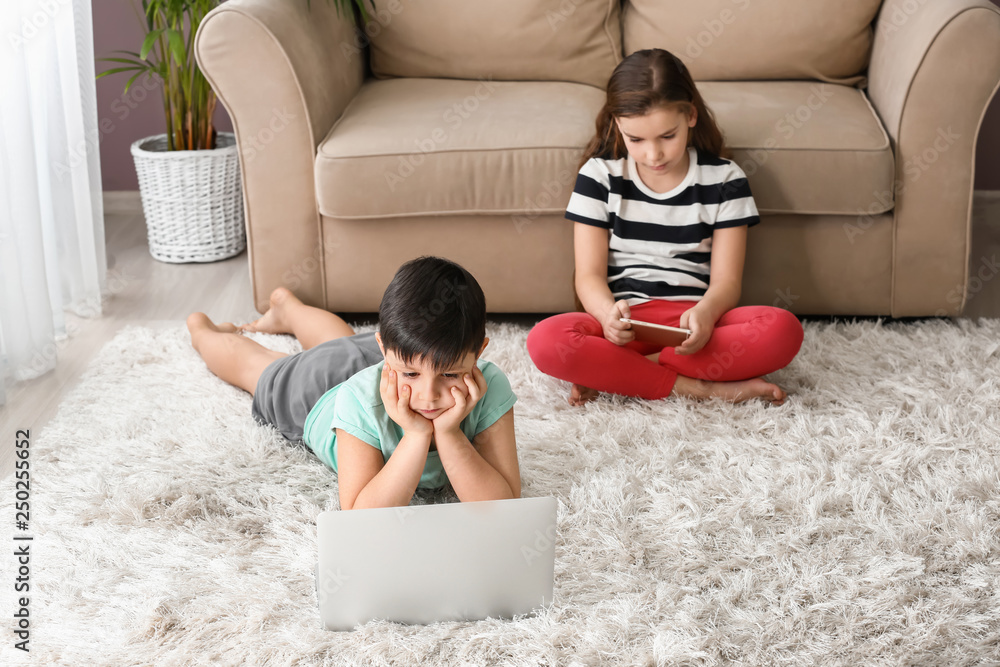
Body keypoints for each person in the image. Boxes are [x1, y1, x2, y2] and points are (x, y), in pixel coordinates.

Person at [527, 48, 804, 406]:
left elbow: (727, 283)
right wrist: (606, 315)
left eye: (666, 136)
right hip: (626, 323)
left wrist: (704, 315)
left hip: (695, 324)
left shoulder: (725, 179)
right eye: (636, 140)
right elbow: (588, 276)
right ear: (617, 125)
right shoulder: (598, 176)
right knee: (545, 340)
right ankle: (698, 388)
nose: (653, 155)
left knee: (782, 330)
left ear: (690, 115)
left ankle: (629, 373)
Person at [186, 256, 520, 510]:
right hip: (319, 392)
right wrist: (418, 434)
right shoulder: (356, 402)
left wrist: (448, 434)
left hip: (393, 365)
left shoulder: (483, 384)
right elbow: (363, 516)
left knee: (342, 343)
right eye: (413, 376)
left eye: (449, 375)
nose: (428, 397)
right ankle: (200, 329)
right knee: (258, 368)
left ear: (478, 354)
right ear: (384, 351)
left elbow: (504, 505)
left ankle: (288, 310)